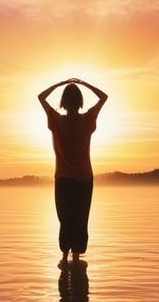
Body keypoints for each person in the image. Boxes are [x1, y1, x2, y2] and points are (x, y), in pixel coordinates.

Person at [38, 77, 108, 267]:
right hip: (84, 178)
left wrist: (59, 84)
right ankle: (76, 258)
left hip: (63, 178)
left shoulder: (56, 120)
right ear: (80, 101)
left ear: (63, 101)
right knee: (81, 218)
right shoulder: (87, 119)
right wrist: (85, 84)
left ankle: (64, 257)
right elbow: (104, 97)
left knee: (65, 218)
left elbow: (41, 97)